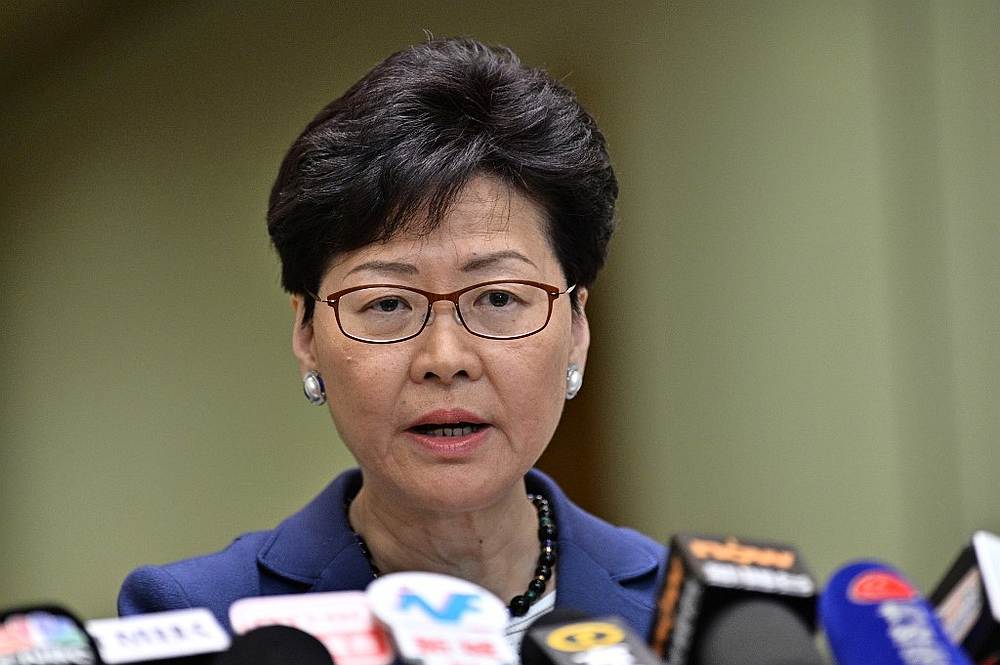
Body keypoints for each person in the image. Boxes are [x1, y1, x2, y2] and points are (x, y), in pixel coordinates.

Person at [118, 36, 666, 644]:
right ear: (306, 334)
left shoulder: (690, 617)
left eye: (498, 298)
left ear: (577, 329)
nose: (445, 360)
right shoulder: (204, 622)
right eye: (387, 304)